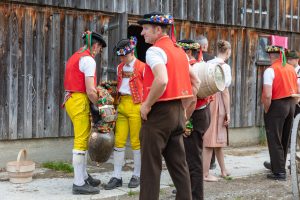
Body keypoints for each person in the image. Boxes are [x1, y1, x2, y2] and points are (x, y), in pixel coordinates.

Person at [137, 12, 200, 200]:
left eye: (145, 29)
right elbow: (195, 82)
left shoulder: (154, 51)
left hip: (158, 113)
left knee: (150, 167)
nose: (142, 33)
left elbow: (162, 80)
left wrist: (147, 105)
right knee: (179, 166)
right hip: (177, 112)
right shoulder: (180, 51)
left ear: (158, 30)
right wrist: (185, 110)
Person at [63, 31, 107, 194]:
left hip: (71, 99)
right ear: (95, 45)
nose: (99, 51)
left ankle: (83, 175)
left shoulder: (76, 56)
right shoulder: (88, 60)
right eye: (100, 48)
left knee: (84, 136)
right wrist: (100, 106)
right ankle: (78, 183)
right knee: (81, 140)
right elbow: (90, 90)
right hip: (79, 100)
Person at [105, 38, 145, 190]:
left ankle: (137, 174)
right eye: (120, 56)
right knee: (119, 141)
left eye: (124, 56)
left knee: (136, 142)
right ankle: (117, 176)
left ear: (131, 52)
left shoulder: (143, 67)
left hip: (136, 105)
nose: (121, 59)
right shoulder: (119, 67)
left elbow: (147, 88)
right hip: (122, 105)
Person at [177, 39, 212, 200]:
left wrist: (184, 120)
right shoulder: (199, 64)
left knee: (192, 160)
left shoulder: (190, 66)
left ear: (187, 52)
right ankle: (188, 192)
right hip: (203, 112)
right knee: (191, 157)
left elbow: (191, 98)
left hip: (194, 114)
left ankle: (195, 195)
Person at [262, 44, 298, 180]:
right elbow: (296, 90)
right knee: (284, 137)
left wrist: (267, 109)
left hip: (277, 104)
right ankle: (280, 167)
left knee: (274, 138)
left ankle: (279, 172)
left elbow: (267, 95)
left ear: (271, 56)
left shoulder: (270, 70)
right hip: (291, 104)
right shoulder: (292, 69)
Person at [202, 40, 232, 182]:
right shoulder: (224, 67)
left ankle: (223, 170)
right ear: (228, 51)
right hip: (217, 101)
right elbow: (225, 91)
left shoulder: (208, 64)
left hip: (206, 99)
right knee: (210, 138)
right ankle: (205, 173)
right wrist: (228, 112)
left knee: (217, 138)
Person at [197, 35, 216, 170]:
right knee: (209, 131)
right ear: (205, 46)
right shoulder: (213, 59)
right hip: (210, 97)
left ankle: (201, 161)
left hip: (197, 97)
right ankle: (211, 161)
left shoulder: (194, 59)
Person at [286, 50, 300, 116]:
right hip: (287, 101)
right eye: (288, 59)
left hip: (298, 101)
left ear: (297, 59)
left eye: (291, 59)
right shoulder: (286, 70)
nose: (288, 61)